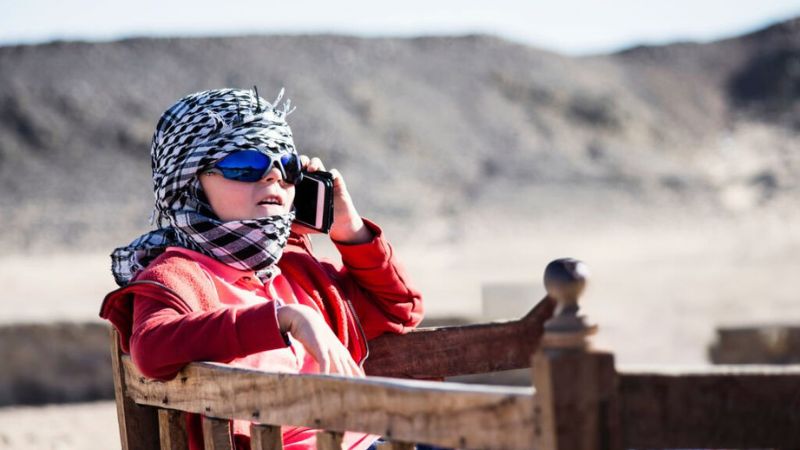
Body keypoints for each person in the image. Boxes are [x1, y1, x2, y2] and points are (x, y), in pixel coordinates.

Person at [100, 87, 424, 450]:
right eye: (246, 165)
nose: (272, 176)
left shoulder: (297, 268)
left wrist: (349, 230)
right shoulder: (178, 274)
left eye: (287, 166)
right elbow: (151, 347)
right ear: (190, 184)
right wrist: (283, 319)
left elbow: (399, 310)